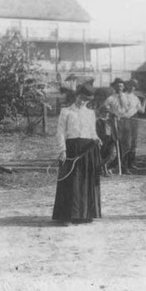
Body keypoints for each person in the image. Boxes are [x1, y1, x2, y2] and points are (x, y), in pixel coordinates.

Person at [53, 85, 102, 225]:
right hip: (72, 148)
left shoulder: (90, 113)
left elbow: (92, 131)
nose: (83, 102)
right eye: (81, 98)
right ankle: (66, 216)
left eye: (86, 100)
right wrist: (62, 150)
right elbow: (60, 132)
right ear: (76, 96)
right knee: (71, 181)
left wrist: (97, 138)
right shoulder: (66, 111)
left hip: (87, 149)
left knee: (85, 182)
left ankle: (85, 214)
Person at [104, 78, 140, 174]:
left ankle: (119, 166)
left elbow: (133, 109)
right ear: (114, 87)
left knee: (127, 145)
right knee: (117, 144)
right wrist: (112, 113)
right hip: (115, 122)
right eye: (117, 86)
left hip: (126, 121)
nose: (119, 88)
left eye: (121, 86)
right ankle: (115, 167)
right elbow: (106, 109)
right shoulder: (110, 98)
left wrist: (125, 115)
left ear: (123, 87)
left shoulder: (128, 97)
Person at [124, 79, 146, 170]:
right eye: (130, 85)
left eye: (134, 86)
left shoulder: (135, 98)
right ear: (127, 85)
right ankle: (124, 165)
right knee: (127, 142)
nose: (132, 87)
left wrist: (145, 99)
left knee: (134, 142)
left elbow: (142, 110)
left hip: (135, 120)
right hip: (126, 120)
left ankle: (131, 163)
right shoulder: (123, 96)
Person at [96, 105, 117, 176]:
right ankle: (104, 171)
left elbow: (114, 129)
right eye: (105, 112)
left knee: (113, 154)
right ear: (101, 112)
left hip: (110, 140)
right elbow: (96, 131)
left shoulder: (111, 120)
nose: (107, 113)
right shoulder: (98, 121)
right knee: (103, 155)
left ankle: (101, 167)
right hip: (102, 140)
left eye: (108, 112)